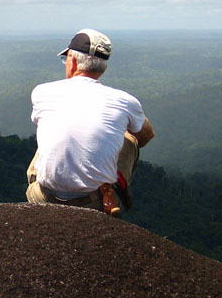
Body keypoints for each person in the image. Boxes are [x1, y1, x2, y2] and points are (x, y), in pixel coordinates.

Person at [26, 29, 155, 216]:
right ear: (103, 68)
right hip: (93, 203)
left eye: (66, 59)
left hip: (44, 197)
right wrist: (132, 118)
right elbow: (145, 136)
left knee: (55, 128)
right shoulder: (125, 101)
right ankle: (110, 194)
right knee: (130, 137)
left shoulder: (41, 92)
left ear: (72, 61)